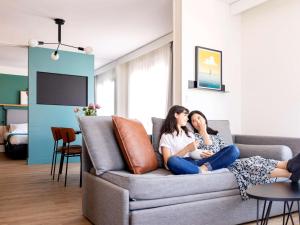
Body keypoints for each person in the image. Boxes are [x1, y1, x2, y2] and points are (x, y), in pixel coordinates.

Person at [188, 110, 300, 199]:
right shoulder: (194, 137)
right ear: (192, 124)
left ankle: (289, 165)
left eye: (198, 118)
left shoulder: (217, 136)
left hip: (231, 161)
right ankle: (290, 173)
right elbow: (207, 152)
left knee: (256, 159)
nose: (197, 121)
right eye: (193, 120)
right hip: (218, 164)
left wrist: (206, 133)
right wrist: (203, 132)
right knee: (249, 164)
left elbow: (227, 151)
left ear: (204, 118)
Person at [159, 105, 240, 175]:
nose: (187, 119)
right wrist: (187, 149)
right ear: (176, 114)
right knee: (172, 160)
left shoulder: (189, 134)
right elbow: (167, 164)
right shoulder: (166, 136)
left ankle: (202, 169)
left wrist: (205, 154)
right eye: (185, 115)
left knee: (233, 149)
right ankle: (200, 170)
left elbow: (193, 153)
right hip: (183, 164)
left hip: (199, 162)